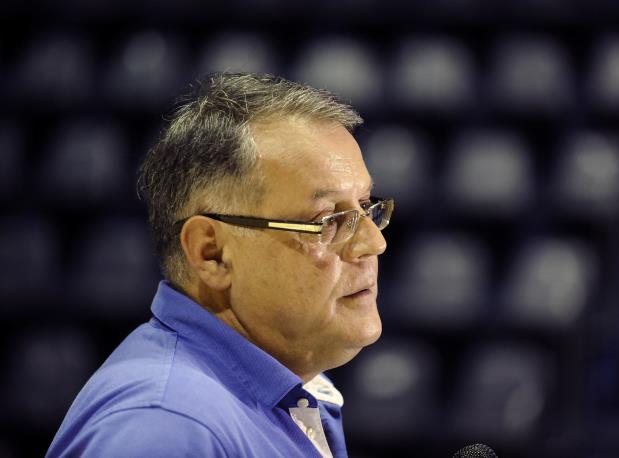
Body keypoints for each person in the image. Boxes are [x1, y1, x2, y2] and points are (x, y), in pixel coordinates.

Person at [47, 72, 394, 457]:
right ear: (211, 253)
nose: (374, 242)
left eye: (366, 207)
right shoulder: (166, 429)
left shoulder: (282, 388)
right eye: (328, 220)